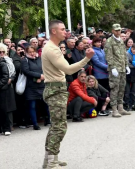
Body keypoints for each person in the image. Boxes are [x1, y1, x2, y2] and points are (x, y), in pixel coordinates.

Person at [41, 20, 95, 168]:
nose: (66, 32)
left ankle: (51, 159)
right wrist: (87, 58)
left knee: (56, 126)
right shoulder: (51, 49)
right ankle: (51, 162)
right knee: (59, 127)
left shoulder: (54, 47)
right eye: (63, 29)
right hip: (55, 90)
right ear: (54, 31)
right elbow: (69, 70)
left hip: (57, 89)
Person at [104, 23, 131, 117]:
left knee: (122, 88)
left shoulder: (121, 41)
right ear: (112, 30)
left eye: (119, 30)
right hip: (115, 69)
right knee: (114, 89)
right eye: (116, 30)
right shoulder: (109, 41)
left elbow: (124, 54)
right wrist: (112, 67)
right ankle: (114, 109)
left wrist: (127, 65)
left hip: (122, 68)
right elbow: (108, 56)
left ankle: (121, 108)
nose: (118, 32)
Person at [21, 46, 50, 130]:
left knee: (46, 103)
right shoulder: (25, 60)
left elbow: (45, 68)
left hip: (42, 84)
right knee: (32, 106)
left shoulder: (40, 59)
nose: (32, 53)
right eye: (30, 52)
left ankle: (48, 120)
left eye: (33, 51)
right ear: (26, 52)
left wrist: (42, 77)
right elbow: (26, 71)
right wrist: (37, 76)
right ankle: (35, 124)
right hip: (31, 86)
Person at [0, 43, 16, 130]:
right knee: (1, 107)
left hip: (9, 86)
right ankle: (2, 126)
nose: (2, 53)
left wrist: (11, 78)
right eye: (0, 52)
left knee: (9, 107)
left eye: (3, 52)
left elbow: (13, 72)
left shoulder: (9, 60)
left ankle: (10, 125)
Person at [124, 44, 135, 111]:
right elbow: (127, 63)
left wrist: (133, 62)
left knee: (134, 90)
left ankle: (134, 104)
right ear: (131, 48)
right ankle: (127, 104)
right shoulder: (127, 54)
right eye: (133, 49)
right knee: (127, 90)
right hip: (128, 72)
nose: (134, 51)